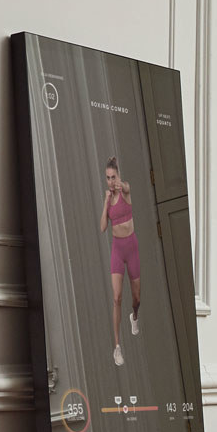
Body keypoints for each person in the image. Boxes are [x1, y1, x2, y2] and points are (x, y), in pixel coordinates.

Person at [98, 157, 141, 367]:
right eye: (107, 178)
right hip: (118, 249)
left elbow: (126, 187)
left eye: (113, 177)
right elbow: (102, 227)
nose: (110, 181)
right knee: (116, 298)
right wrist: (106, 202)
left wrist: (120, 185)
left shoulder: (125, 190)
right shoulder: (107, 199)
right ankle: (117, 347)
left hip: (132, 248)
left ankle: (135, 316)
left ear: (118, 175)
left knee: (136, 298)